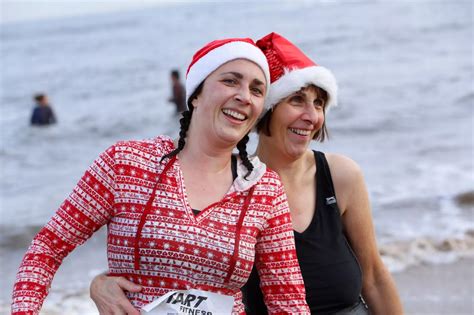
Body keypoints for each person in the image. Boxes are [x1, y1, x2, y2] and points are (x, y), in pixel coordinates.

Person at [90, 33, 403, 315]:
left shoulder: (341, 175)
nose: (311, 116)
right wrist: (100, 283)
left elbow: (374, 277)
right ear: (265, 109)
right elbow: (178, 269)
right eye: (296, 100)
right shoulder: (234, 185)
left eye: (319, 104)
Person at [11, 37, 310, 315]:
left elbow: (288, 299)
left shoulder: (264, 189)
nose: (244, 96)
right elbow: (47, 248)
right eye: (230, 81)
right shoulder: (127, 163)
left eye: (257, 90)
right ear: (195, 96)